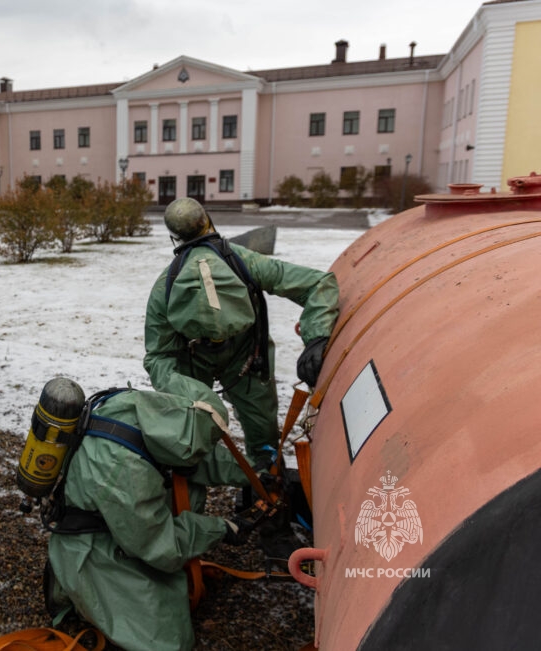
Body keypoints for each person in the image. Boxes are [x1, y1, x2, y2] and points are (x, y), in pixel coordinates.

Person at [42, 381, 263, 651]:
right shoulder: (124, 469)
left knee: (187, 487)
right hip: (92, 547)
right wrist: (221, 529)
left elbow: (199, 455)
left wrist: (254, 473)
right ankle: (74, 592)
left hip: (119, 519)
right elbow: (160, 545)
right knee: (169, 642)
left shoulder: (148, 412)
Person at [143, 198, 339, 468]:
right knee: (191, 431)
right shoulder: (243, 262)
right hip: (197, 359)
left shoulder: (165, 287)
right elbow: (317, 284)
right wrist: (192, 393)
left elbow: (318, 285)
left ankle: (266, 473)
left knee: (260, 430)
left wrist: (316, 336)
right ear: (208, 222)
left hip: (245, 355)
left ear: (174, 238)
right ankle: (204, 474)